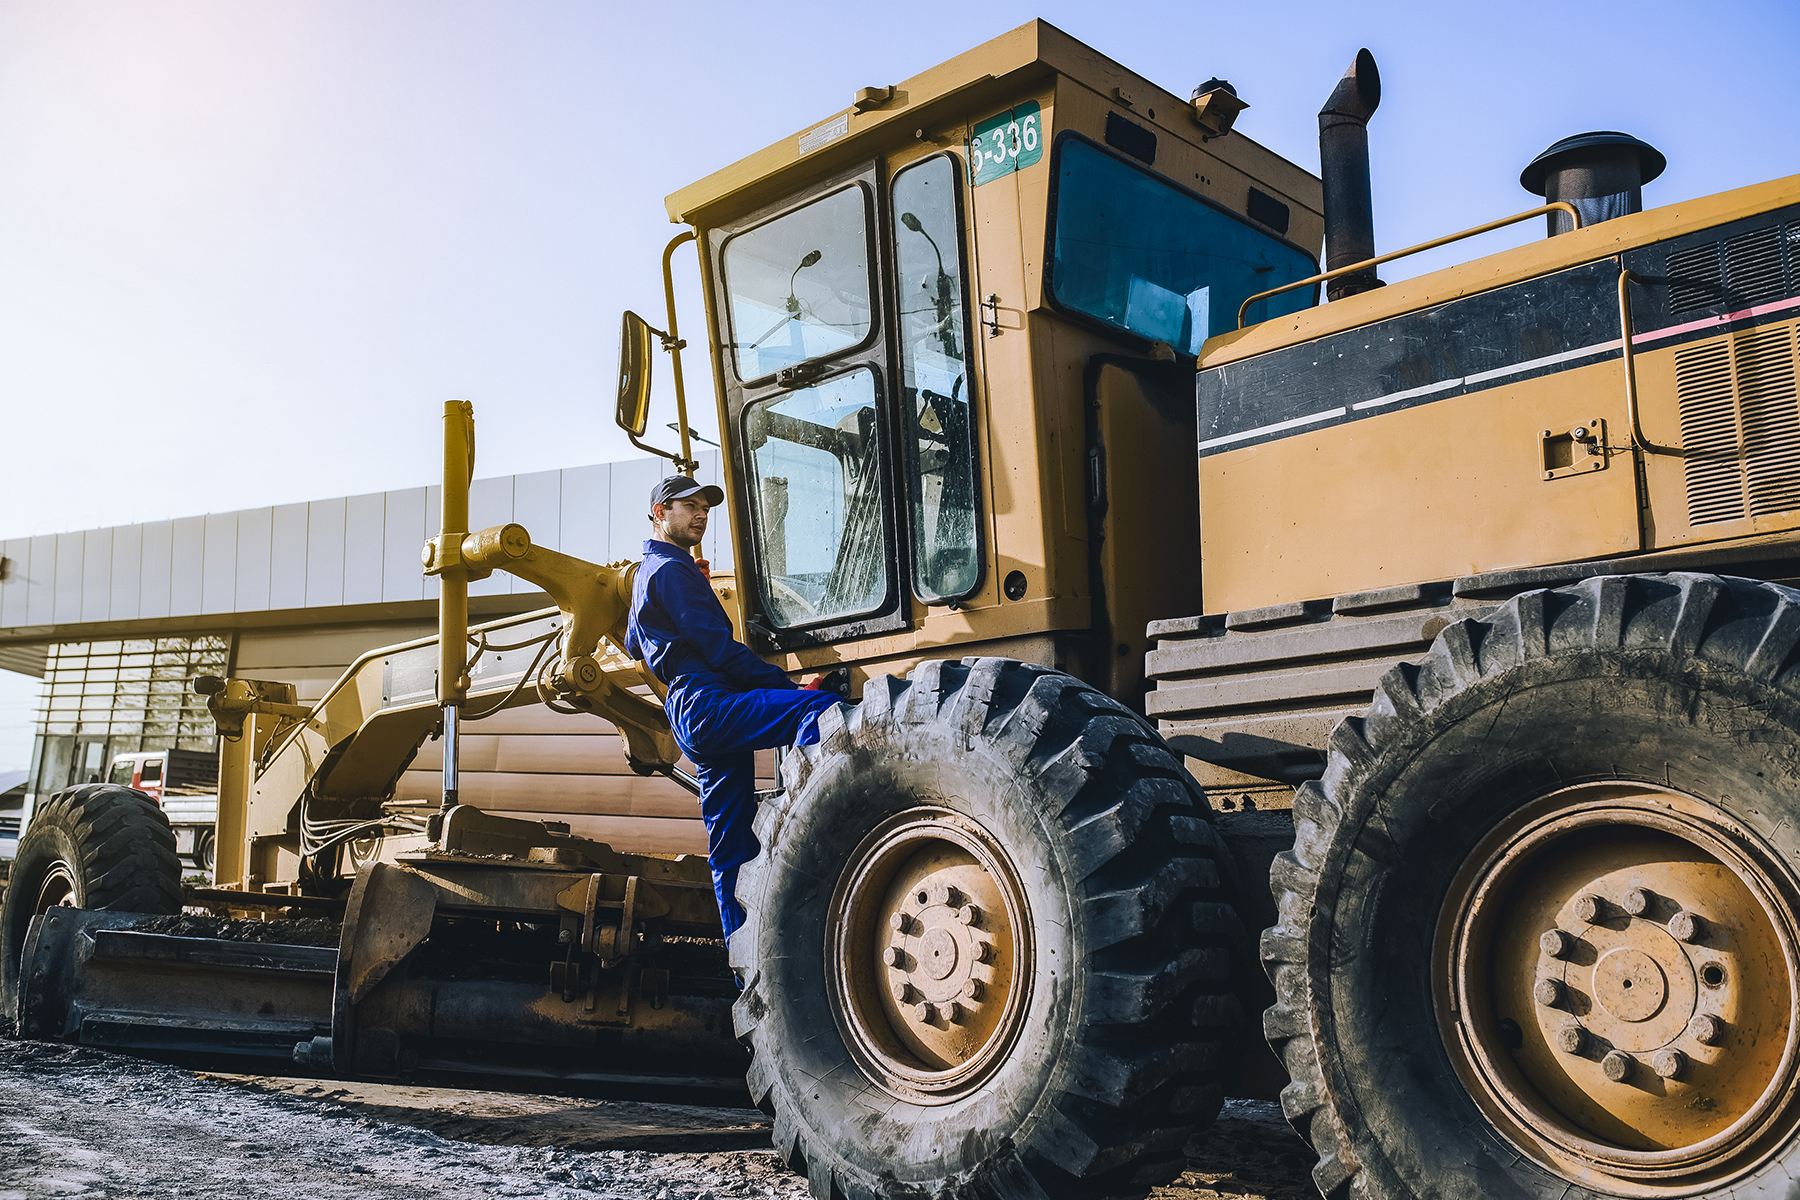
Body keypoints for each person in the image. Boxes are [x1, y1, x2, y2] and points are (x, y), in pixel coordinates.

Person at [624, 475, 839, 938]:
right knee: (818, 709)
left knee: (729, 846)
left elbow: (632, 645)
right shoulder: (671, 571)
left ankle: (741, 956)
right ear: (661, 513)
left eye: (705, 506)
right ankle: (824, 820)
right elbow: (721, 650)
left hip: (688, 708)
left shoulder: (648, 573)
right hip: (708, 699)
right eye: (689, 506)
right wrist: (788, 684)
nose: (701, 513)